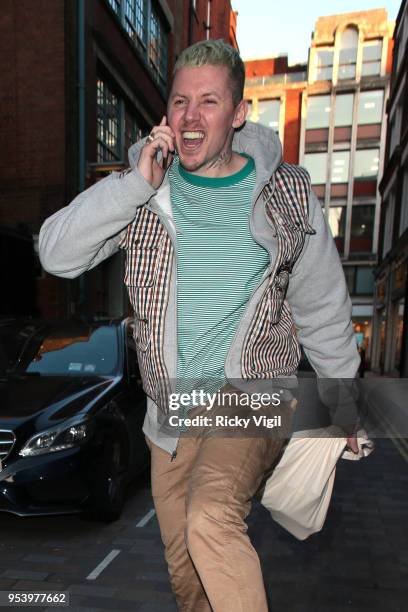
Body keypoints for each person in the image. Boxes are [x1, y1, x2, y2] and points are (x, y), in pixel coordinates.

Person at [39, 40, 360, 612]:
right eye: (181, 101)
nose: (191, 116)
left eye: (209, 101)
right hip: (171, 417)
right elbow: (55, 254)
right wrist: (132, 184)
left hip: (252, 395)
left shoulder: (285, 194)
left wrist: (342, 398)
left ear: (238, 114)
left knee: (211, 520)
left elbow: (322, 303)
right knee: (190, 585)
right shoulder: (147, 190)